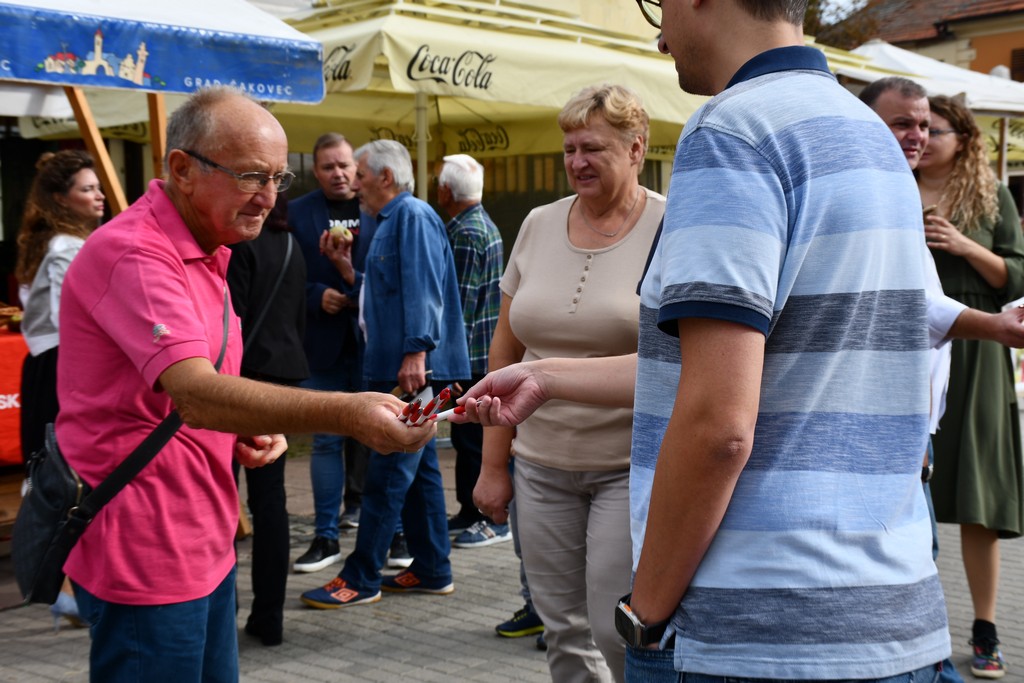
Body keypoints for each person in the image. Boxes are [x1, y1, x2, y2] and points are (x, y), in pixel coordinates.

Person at [461, 1, 952, 681]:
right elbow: (762, 369)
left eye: (657, 7)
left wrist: (645, 611)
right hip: (892, 614)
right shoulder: (870, 133)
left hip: (752, 627)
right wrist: (547, 377)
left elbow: (719, 423)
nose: (661, 36)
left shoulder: (732, 130)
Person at [56, 87, 434, 682]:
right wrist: (347, 413)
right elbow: (196, 393)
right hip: (148, 546)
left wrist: (244, 428)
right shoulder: (137, 253)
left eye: (278, 178)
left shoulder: (211, 247)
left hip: (203, 536)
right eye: (252, 176)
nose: (268, 197)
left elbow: (183, 394)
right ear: (183, 169)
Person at [474, 84, 665, 683]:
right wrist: (493, 465)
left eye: (593, 148)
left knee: (615, 627)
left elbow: (682, 359)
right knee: (561, 627)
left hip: (628, 468)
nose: (577, 161)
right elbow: (505, 349)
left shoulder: (672, 225)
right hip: (539, 464)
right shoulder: (538, 223)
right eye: (569, 149)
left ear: (636, 149)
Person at [301, 139, 470, 609]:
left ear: (386, 178)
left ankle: (362, 576)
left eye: (360, 174)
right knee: (420, 471)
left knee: (387, 471)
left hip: (412, 372)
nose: (353, 184)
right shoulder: (391, 220)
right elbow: (385, 295)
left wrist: (416, 353)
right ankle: (433, 567)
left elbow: (424, 289)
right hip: (405, 369)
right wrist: (344, 269)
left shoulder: (411, 216)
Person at [918, 93, 1024, 679]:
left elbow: (1019, 275)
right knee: (912, 489)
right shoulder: (893, 183)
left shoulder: (991, 194)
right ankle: (919, 621)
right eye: (914, 127)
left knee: (978, 495)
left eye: (934, 129)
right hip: (911, 345)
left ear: (963, 138)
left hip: (980, 348)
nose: (922, 137)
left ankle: (985, 626)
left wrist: (965, 246)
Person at [15, 149, 104, 629]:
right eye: (87, 189)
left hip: (46, 364)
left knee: (57, 472)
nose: (99, 196)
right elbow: (80, 317)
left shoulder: (53, 241)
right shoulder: (67, 246)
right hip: (60, 365)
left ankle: (68, 586)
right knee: (67, 473)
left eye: (97, 187)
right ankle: (67, 585)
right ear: (61, 199)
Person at [289, 132, 375, 574]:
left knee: (378, 437)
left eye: (344, 165)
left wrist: (355, 286)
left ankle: (386, 532)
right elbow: (284, 277)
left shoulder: (376, 207)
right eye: (328, 167)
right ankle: (325, 536)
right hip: (321, 343)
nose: (338, 174)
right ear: (316, 171)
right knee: (326, 441)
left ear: (356, 168)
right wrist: (314, 295)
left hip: (371, 345)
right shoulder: (297, 213)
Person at [227, 193, 308, 647]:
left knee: (222, 493)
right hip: (282, 378)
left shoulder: (237, 245)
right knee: (270, 501)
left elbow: (231, 321)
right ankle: (269, 615)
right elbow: (297, 318)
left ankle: (223, 608)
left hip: (239, 382)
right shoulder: (293, 244)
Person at [435, 153, 507, 548]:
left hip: (468, 355)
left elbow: (459, 305)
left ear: (446, 191)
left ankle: (483, 516)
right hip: (482, 350)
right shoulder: (484, 223)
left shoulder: (463, 232)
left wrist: (452, 363)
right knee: (470, 438)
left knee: (471, 439)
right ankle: (469, 509)